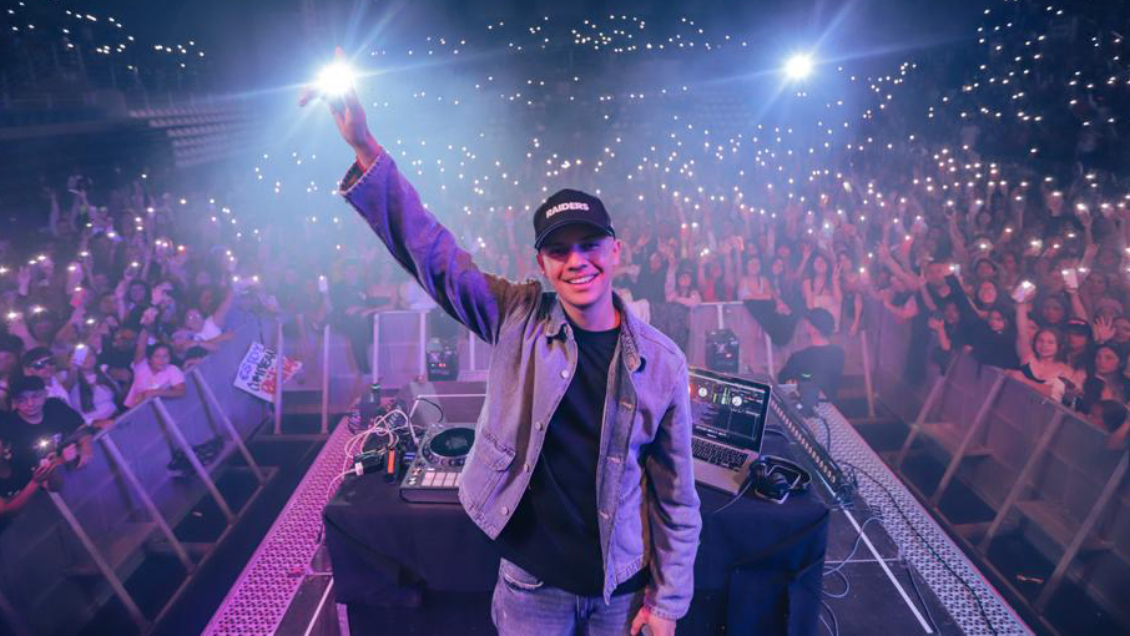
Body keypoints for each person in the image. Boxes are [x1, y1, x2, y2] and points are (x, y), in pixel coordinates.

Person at [305, 64, 700, 636]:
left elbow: (677, 499)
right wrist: (365, 147)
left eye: (590, 244)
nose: (577, 261)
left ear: (615, 251)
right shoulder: (518, 314)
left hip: (619, 589)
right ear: (542, 264)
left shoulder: (661, 362)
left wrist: (665, 604)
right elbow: (434, 255)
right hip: (532, 585)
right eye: (559, 251)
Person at [777, 308, 846, 401]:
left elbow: (782, 378)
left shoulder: (800, 357)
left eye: (807, 324)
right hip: (831, 403)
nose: (805, 327)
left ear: (813, 329)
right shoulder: (839, 353)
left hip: (807, 405)